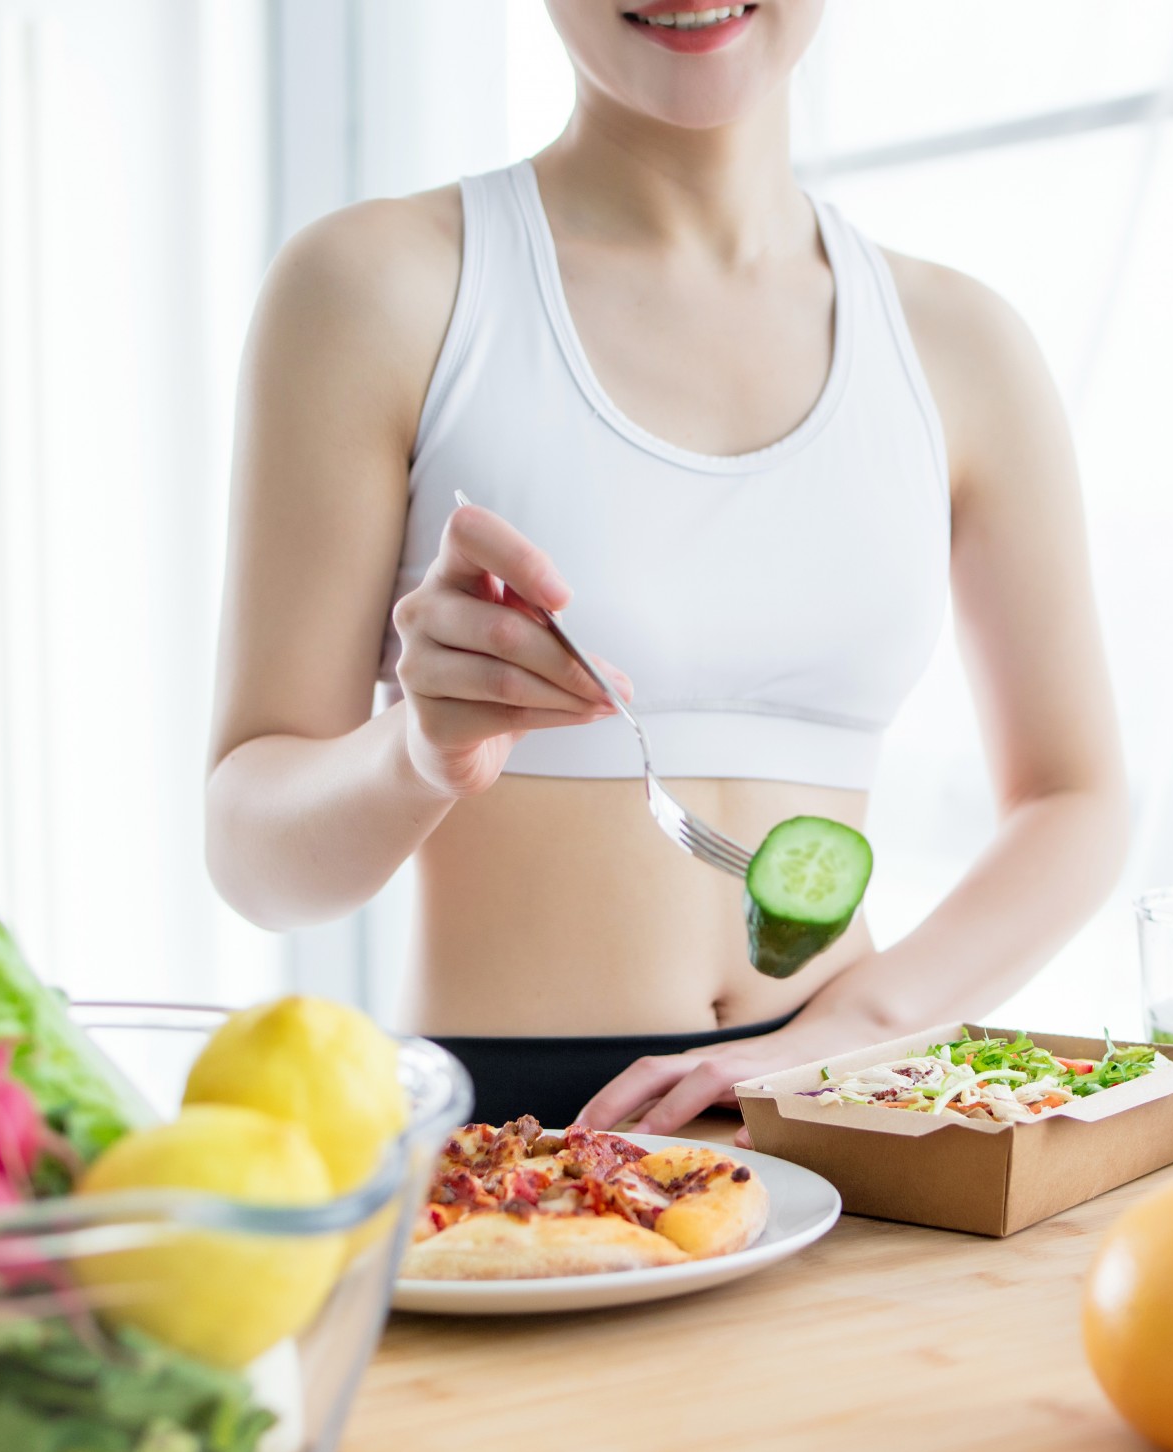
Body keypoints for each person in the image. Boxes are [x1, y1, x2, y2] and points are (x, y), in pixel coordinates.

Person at [206, 0, 1125, 1134]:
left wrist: (857, 1025)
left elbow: (1076, 799)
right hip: (519, 1135)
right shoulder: (376, 286)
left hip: (846, 1107)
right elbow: (254, 861)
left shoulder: (963, 342)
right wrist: (418, 754)